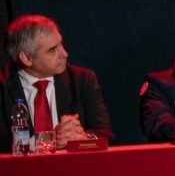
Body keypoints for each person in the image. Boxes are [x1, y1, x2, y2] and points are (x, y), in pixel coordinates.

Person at [0, 14, 113, 150]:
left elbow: (106, 136)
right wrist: (47, 140)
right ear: (26, 58)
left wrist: (82, 137)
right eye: (52, 50)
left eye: (61, 44)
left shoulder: (82, 80)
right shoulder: (3, 87)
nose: (65, 54)